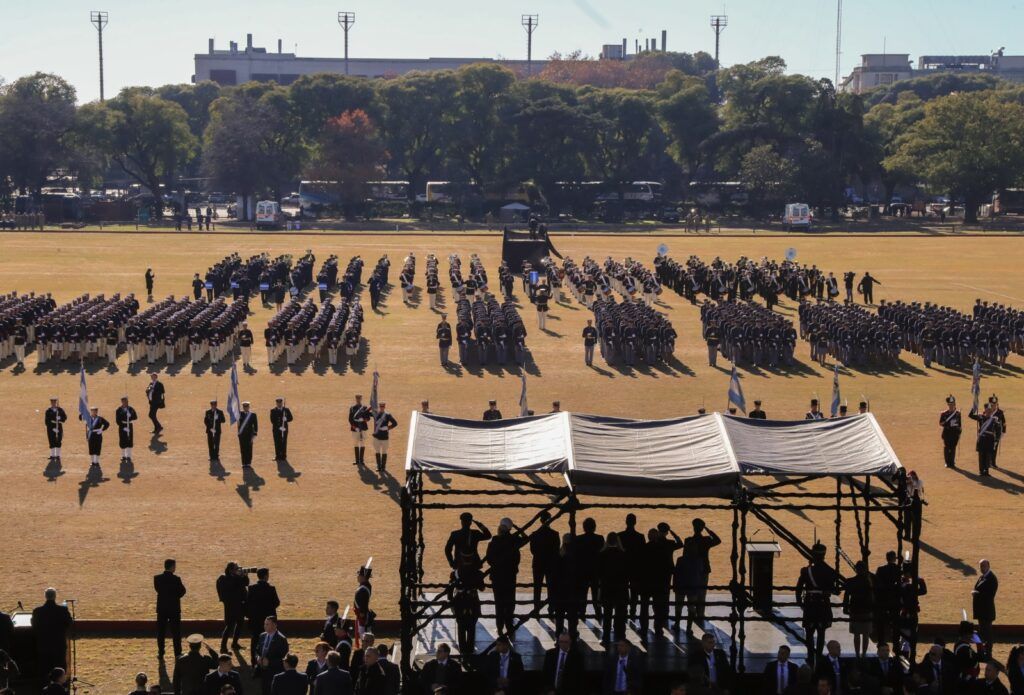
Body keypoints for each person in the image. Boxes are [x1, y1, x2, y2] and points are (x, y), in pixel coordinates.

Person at [796, 542, 840, 666]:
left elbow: (798, 588)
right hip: (823, 605)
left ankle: (810, 656)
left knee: (809, 633)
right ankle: (819, 656)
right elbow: (834, 589)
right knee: (821, 633)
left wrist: (800, 603)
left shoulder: (806, 571)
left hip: (810, 605)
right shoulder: (829, 571)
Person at [485, 518, 521, 637]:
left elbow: (489, 559)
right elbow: (526, 539)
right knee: (510, 603)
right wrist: (516, 528)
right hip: (510, 576)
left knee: (499, 604)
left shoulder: (494, 542)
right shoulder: (514, 540)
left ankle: (499, 626)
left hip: (497, 577)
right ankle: (509, 626)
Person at [31, 587, 74, 674]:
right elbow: (69, 623)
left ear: (45, 596)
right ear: (55, 596)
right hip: (59, 644)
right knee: (60, 666)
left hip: (43, 644)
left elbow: (34, 625)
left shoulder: (37, 611)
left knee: (45, 667)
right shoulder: (62, 610)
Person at [599, 533, 628, 644]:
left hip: (607, 588)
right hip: (621, 589)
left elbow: (599, 573)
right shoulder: (623, 554)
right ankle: (621, 636)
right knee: (620, 615)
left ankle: (606, 637)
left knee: (607, 614)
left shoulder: (602, 554)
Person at [530, 511, 561, 617]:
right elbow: (557, 551)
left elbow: (533, 551)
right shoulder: (555, 534)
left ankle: (536, 609)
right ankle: (551, 608)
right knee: (551, 587)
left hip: (538, 563)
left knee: (537, 587)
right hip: (551, 564)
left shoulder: (534, 535)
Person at [843, 560, 875, 659]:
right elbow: (872, 597)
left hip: (855, 610)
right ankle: (864, 654)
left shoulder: (850, 581)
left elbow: (846, 595)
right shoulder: (869, 581)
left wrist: (845, 608)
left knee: (856, 635)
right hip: (866, 610)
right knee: (866, 635)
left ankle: (857, 654)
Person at [155, 558, 187, 658]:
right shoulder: (176, 579)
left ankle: (161, 652)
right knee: (176, 632)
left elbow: (158, 590)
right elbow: (182, 591)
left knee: (161, 632)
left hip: (162, 608)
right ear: (172, 567)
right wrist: (175, 596)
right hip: (174, 608)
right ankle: (177, 653)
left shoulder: (157, 578)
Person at [217, 563, 250, 653]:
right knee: (229, 626)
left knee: (240, 623)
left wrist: (244, 576)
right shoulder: (224, 578)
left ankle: (234, 643)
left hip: (239, 604)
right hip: (230, 606)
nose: (238, 570)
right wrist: (239, 576)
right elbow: (232, 586)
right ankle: (223, 648)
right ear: (230, 569)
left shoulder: (235, 577)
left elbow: (246, 583)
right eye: (236, 569)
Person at [255, 616, 289, 695]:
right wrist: (257, 657)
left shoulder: (281, 639)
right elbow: (257, 650)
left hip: (274, 672)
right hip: (263, 672)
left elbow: (283, 659)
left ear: (274, 625)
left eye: (267, 624)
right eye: (264, 624)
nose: (264, 626)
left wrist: (270, 662)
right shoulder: (262, 636)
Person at [973, 560, 998, 659]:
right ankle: (983, 652)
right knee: (983, 632)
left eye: (983, 566)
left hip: (986, 611)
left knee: (987, 633)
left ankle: (988, 653)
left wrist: (976, 594)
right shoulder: (983, 577)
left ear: (988, 566)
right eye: (980, 566)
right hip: (982, 611)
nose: (982, 568)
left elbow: (990, 595)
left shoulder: (991, 578)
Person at [371, 402, 398, 473]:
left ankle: (383, 467)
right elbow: (366, 414)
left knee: (384, 452)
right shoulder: (376, 414)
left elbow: (395, 423)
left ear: (384, 407)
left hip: (385, 436)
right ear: (379, 407)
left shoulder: (388, 415)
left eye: (383, 406)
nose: (382, 407)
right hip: (377, 436)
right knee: (377, 452)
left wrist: (388, 427)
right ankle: (378, 466)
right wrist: (371, 407)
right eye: (381, 406)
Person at [116, 396, 139, 466]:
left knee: (129, 440)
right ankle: (123, 456)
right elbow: (117, 420)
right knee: (123, 440)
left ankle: (128, 456)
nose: (126, 403)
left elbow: (135, 417)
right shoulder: (119, 410)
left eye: (127, 401)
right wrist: (123, 427)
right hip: (122, 426)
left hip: (129, 426)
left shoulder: (130, 409)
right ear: (122, 402)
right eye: (124, 401)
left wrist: (130, 415)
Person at [940, 395, 962, 468]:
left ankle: (952, 462)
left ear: (955, 404)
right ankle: (947, 462)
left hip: (954, 433)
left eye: (952, 404)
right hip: (947, 433)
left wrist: (959, 431)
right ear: (948, 405)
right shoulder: (944, 413)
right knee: (947, 448)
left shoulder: (958, 413)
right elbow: (941, 423)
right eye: (950, 405)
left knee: (953, 448)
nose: (951, 406)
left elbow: (959, 424)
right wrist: (947, 422)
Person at [45, 397, 68, 464]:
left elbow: (65, 418)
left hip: (59, 427)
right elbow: (46, 421)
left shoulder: (60, 410)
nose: (53, 403)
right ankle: (52, 455)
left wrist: (60, 418)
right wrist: (52, 428)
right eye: (52, 402)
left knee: (58, 440)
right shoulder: (48, 411)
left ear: (56, 402)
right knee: (51, 440)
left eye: (54, 402)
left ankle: (57, 455)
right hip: (51, 428)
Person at [238, 402, 259, 468]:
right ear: (243, 407)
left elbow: (255, 424)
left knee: (249, 448)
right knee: (243, 448)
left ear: (249, 407)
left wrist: (255, 433)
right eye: (244, 407)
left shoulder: (253, 415)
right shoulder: (239, 414)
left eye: (247, 407)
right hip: (242, 434)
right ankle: (244, 463)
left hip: (250, 434)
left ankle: (249, 463)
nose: (245, 408)